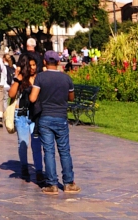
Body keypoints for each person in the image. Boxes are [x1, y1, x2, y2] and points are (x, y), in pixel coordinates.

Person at [29, 51, 78, 195]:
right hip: (61, 117)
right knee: (64, 150)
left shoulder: (40, 77)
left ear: (44, 62)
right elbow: (71, 97)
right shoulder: (66, 78)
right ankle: (69, 183)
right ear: (58, 62)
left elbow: (32, 98)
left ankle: (52, 184)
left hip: (45, 117)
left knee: (49, 151)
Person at [9, 53, 45, 183]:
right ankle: (24, 167)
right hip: (22, 114)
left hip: (35, 114)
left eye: (35, 65)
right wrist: (17, 80)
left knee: (36, 144)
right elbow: (11, 94)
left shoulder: (39, 78)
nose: (33, 68)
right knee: (23, 143)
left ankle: (39, 171)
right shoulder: (21, 78)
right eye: (30, 66)